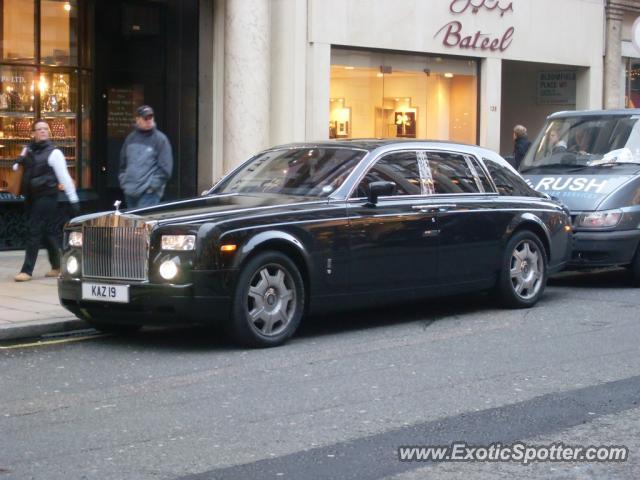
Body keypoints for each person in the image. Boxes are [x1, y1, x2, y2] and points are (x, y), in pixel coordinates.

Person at [14, 120, 80, 282]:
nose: (43, 131)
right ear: (33, 133)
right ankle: (57, 266)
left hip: (47, 197)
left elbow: (64, 176)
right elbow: (16, 168)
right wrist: (19, 161)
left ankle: (27, 270)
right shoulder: (27, 149)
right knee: (47, 232)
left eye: (45, 129)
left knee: (34, 230)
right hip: (31, 197)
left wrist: (73, 199)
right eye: (39, 129)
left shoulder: (54, 153)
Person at [118, 105, 173, 208]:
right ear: (137, 119)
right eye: (145, 118)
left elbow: (165, 168)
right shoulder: (130, 138)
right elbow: (123, 163)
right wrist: (124, 181)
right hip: (130, 191)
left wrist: (152, 187)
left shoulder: (160, 139)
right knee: (133, 222)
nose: (149, 120)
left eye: (151, 117)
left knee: (143, 222)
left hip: (149, 194)